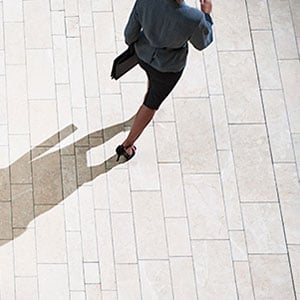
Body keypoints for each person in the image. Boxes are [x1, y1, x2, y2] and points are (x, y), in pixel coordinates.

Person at [116, 0, 213, 161]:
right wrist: (207, 15)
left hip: (142, 54)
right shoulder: (194, 18)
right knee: (151, 104)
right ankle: (126, 146)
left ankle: (149, 93)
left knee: (152, 84)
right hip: (168, 68)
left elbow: (129, 35)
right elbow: (202, 43)